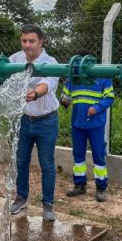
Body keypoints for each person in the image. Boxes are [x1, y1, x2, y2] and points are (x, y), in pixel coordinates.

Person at [9, 24, 60, 221]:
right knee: (21, 161)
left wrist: (36, 93)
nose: (27, 45)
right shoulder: (16, 59)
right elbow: (0, 69)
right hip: (24, 120)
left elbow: (48, 83)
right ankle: (21, 198)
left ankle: (48, 204)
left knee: (46, 163)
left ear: (41, 42)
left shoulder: (50, 62)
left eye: (31, 41)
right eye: (24, 41)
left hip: (46, 120)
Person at [61, 64, 115, 202]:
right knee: (78, 156)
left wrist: (96, 108)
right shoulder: (73, 77)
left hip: (95, 125)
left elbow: (109, 97)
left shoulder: (103, 76)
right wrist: (65, 101)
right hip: (77, 124)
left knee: (99, 155)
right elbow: (65, 97)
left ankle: (101, 187)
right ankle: (80, 185)